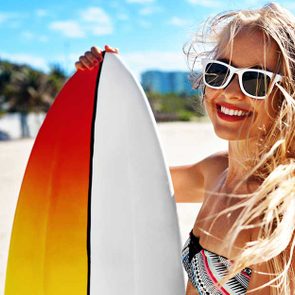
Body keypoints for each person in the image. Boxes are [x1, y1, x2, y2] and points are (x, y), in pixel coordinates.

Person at [75, 3, 295, 294]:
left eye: (255, 80)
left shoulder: (277, 212)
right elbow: (123, 184)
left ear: (287, 96)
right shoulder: (215, 171)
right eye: (220, 72)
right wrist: (102, 85)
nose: (229, 91)